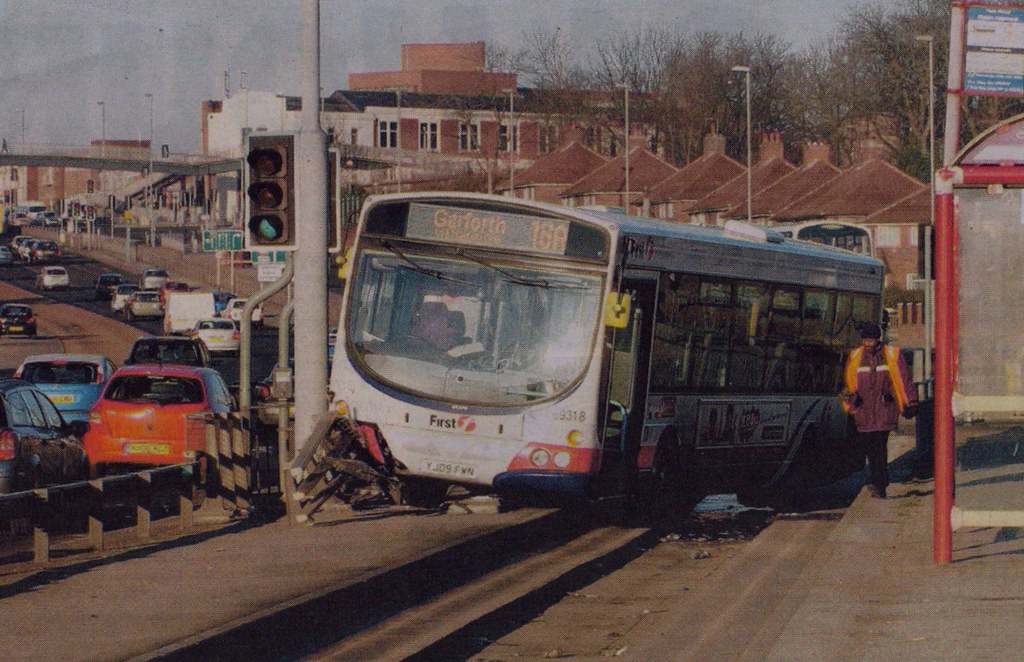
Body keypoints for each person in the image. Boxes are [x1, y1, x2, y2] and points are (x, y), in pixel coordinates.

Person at [842, 322, 918, 499]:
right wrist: (851, 402)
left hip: (885, 409)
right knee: (869, 449)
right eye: (866, 340)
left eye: (871, 340)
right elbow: (849, 381)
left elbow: (904, 379)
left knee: (879, 447)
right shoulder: (855, 356)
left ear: (878, 339)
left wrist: (910, 402)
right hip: (864, 411)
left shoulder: (891, 354)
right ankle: (878, 480)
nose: (868, 343)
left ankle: (880, 484)